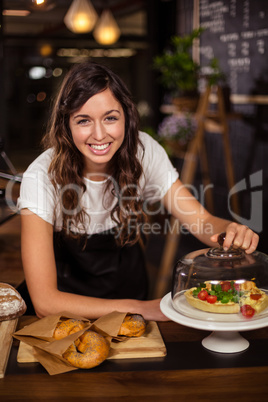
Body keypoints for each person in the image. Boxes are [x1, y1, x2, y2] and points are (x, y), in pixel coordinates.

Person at [18, 61, 259, 321]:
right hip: (67, 312)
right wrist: (143, 308)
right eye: (83, 120)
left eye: (110, 118)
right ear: (66, 125)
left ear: (127, 116)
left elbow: (201, 221)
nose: (99, 135)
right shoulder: (41, 176)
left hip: (128, 292)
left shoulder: (144, 151)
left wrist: (228, 231)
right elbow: (45, 302)